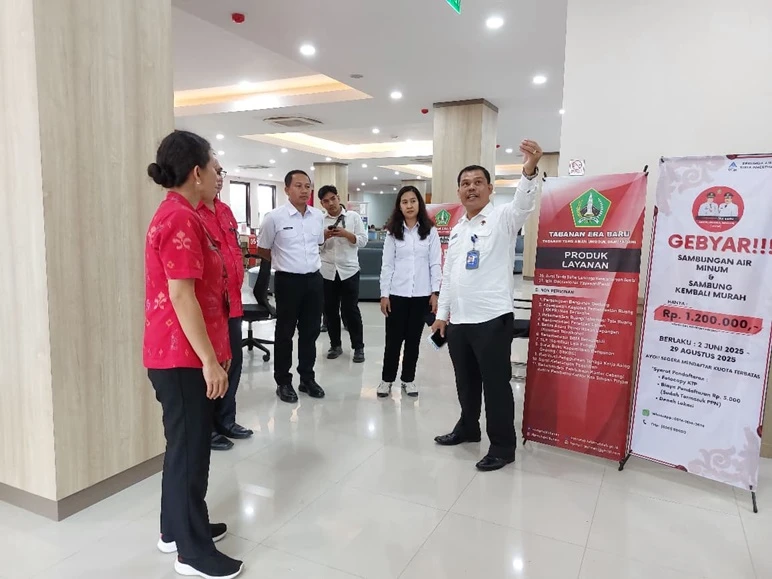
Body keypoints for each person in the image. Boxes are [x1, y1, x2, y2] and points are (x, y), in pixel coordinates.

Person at [144, 130, 243, 579]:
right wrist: (209, 360)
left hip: (177, 353)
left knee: (184, 447)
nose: (219, 177)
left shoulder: (181, 212)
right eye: (215, 169)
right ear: (197, 172)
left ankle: (175, 530)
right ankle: (192, 552)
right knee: (190, 452)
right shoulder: (181, 217)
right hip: (182, 357)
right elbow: (182, 295)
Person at [431, 139, 543, 472]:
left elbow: (524, 203)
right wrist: (442, 315)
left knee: (495, 386)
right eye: (465, 184)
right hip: (459, 321)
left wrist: (529, 170)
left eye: (478, 182)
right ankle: (468, 427)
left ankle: (503, 447)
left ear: (490, 189)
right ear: (459, 192)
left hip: (492, 319)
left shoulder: (504, 218)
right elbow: (449, 274)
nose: (471, 188)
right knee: (465, 382)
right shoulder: (457, 229)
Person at [197, 158, 254, 452]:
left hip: (232, 302)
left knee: (233, 363)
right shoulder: (192, 214)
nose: (219, 177)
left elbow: (234, 253)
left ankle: (226, 420)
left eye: (222, 172)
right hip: (207, 308)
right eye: (214, 171)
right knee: (210, 367)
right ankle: (206, 429)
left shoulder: (225, 211)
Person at [257, 170, 326, 403]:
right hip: (287, 281)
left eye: (307, 186)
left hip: (314, 281)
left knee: (310, 332)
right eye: (298, 186)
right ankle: (283, 382)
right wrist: (283, 261)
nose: (304, 190)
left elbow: (318, 244)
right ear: (287, 189)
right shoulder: (274, 217)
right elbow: (263, 249)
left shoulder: (318, 216)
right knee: (285, 333)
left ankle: (307, 378)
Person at [378, 186, 442, 398]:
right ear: (399, 206)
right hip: (397, 294)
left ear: (419, 204)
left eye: (413, 201)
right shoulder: (393, 233)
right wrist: (384, 294)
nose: (409, 205)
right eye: (404, 202)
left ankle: (408, 379)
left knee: (413, 341)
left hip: (421, 295)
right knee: (393, 341)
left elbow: (435, 263)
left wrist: (435, 292)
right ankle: (387, 380)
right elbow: (387, 265)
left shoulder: (430, 231)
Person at [318, 185, 368, 362]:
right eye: (326, 201)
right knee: (330, 310)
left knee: (350, 310)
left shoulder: (353, 217)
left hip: (349, 270)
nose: (331, 203)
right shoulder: (319, 220)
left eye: (333, 198)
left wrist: (347, 234)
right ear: (322, 204)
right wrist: (324, 236)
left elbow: (363, 241)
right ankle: (335, 345)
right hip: (327, 272)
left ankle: (358, 347)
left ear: (339, 198)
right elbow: (315, 246)